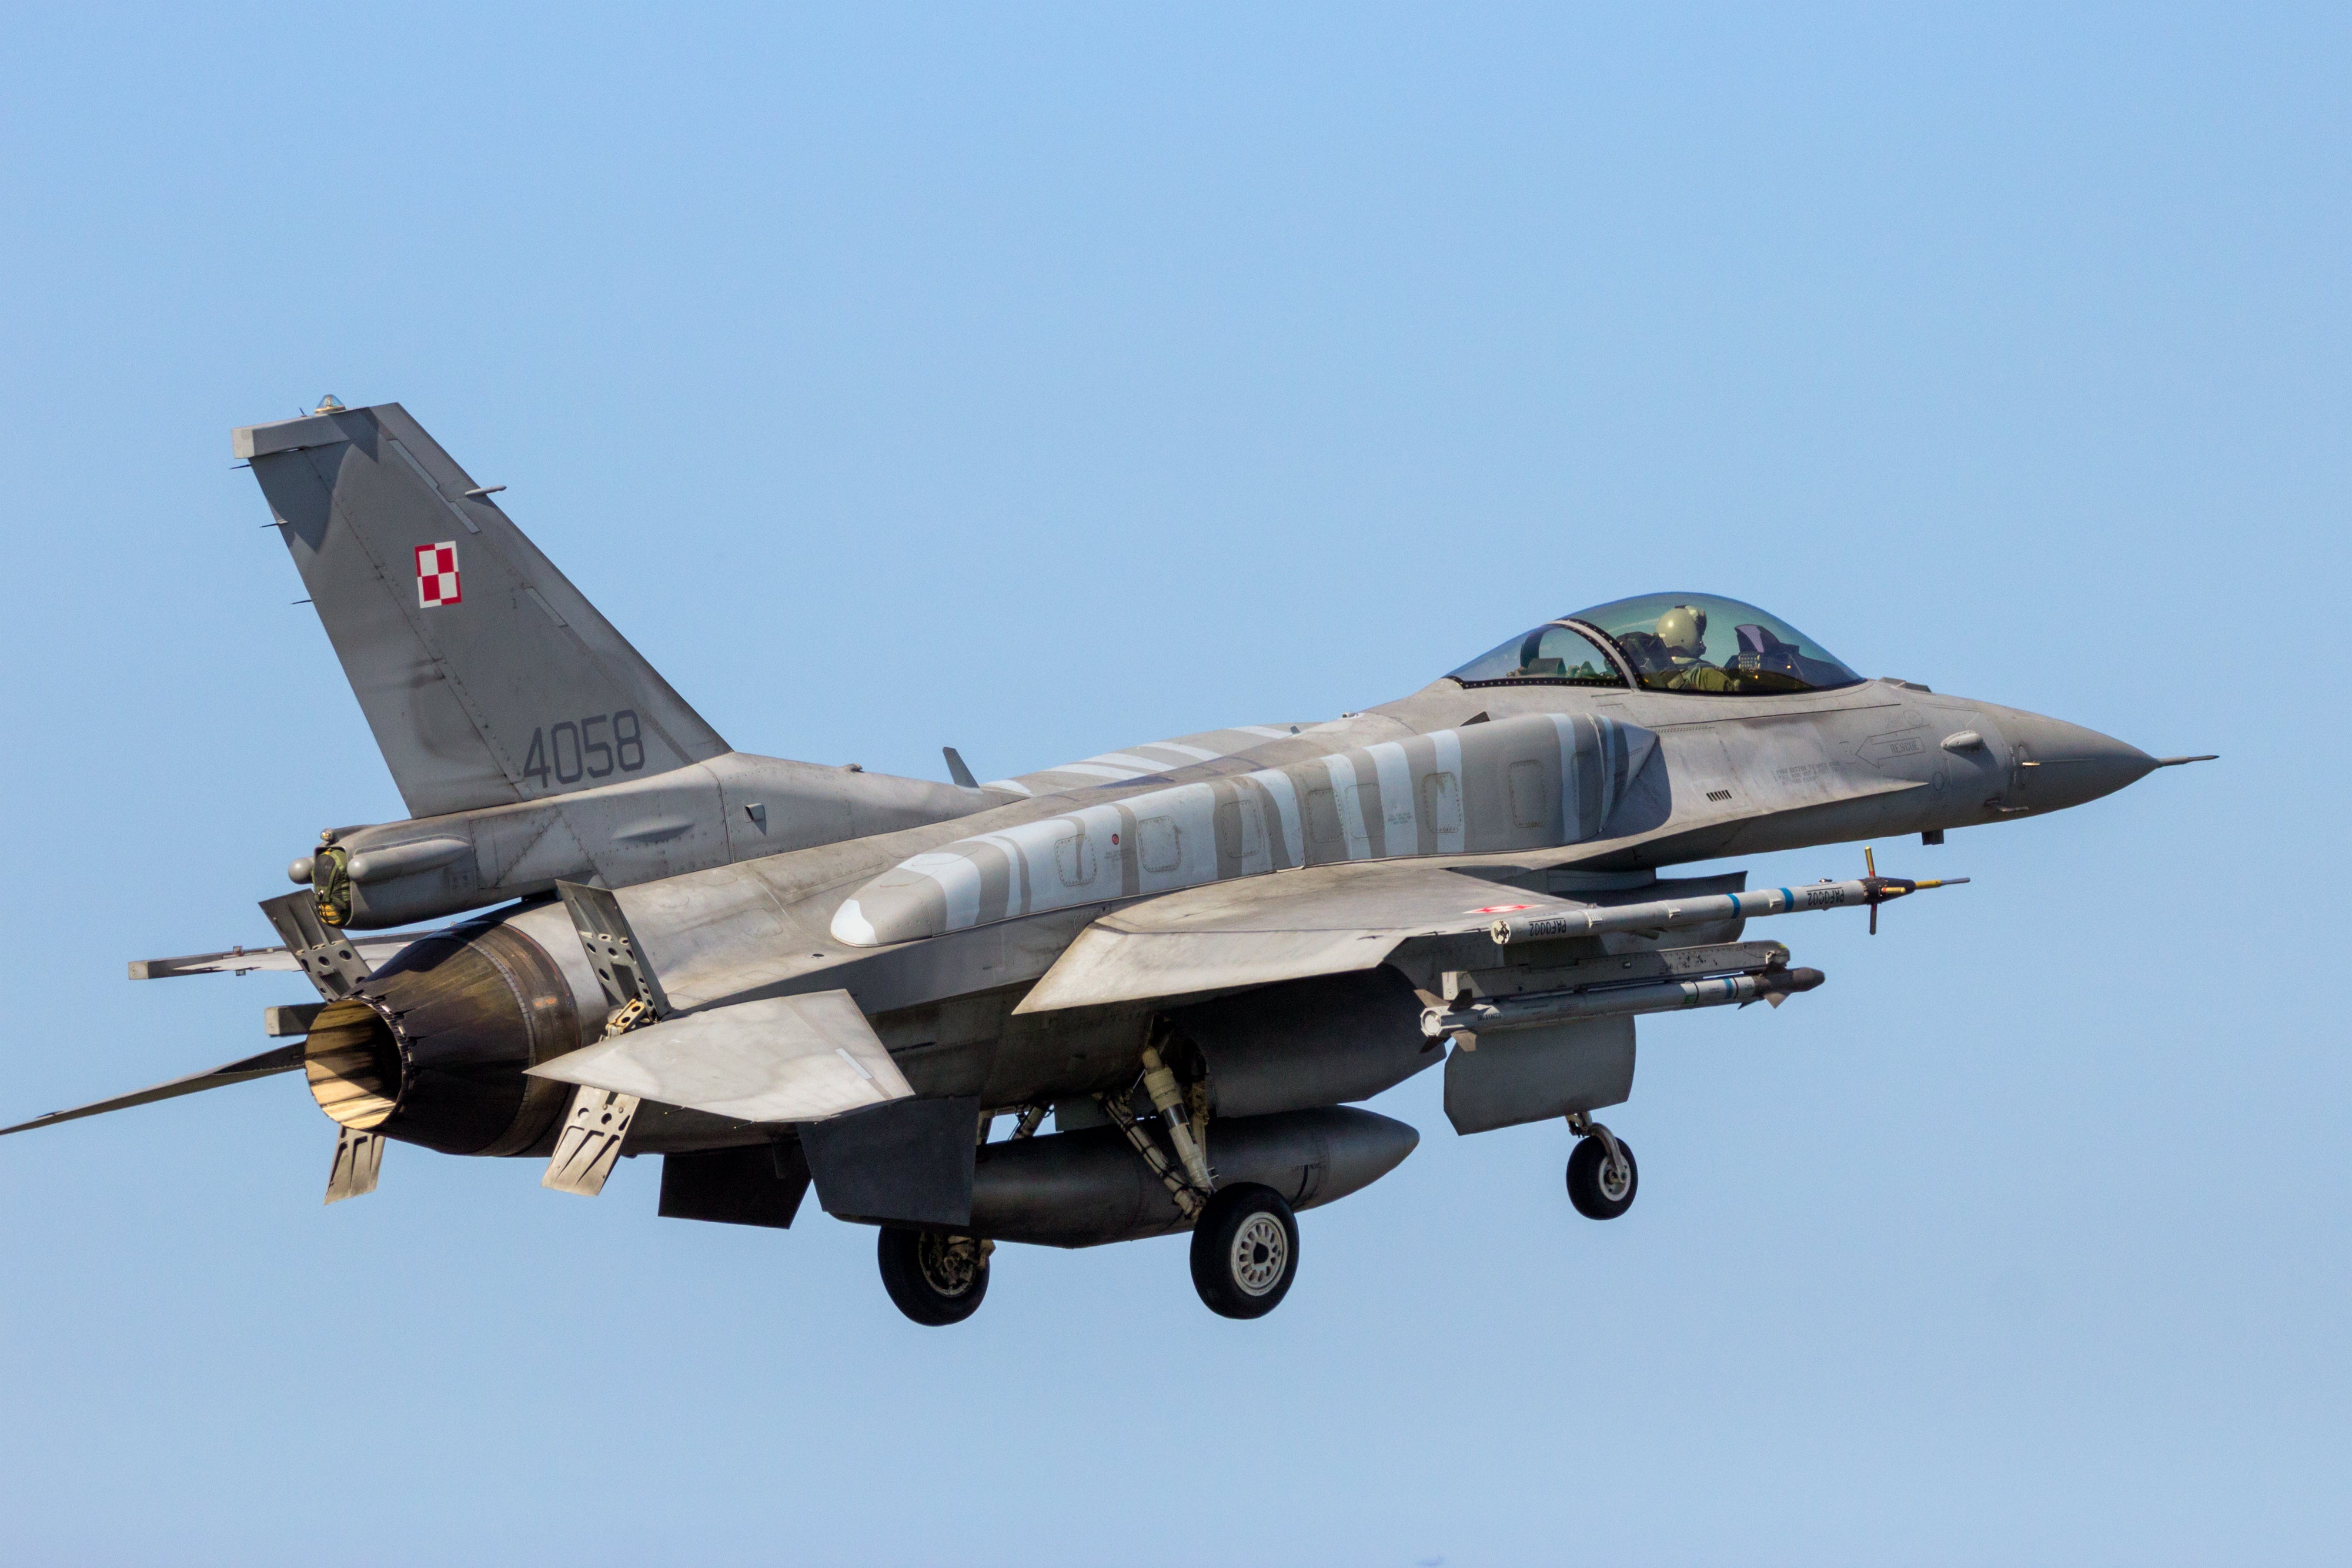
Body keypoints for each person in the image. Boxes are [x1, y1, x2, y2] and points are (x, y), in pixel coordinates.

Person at [1652, 604, 1736, 693]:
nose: (1701, 641)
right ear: (1687, 633)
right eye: (1700, 634)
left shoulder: (1652, 671)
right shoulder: (1706, 675)